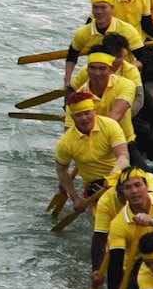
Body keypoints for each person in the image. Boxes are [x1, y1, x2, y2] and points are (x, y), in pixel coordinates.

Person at [53, 90, 129, 220]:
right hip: (95, 185)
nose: (84, 118)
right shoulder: (66, 142)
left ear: (94, 111)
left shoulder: (110, 125)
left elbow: (124, 157)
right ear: (71, 117)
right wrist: (75, 198)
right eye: (78, 115)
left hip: (119, 174)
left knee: (149, 178)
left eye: (87, 113)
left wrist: (112, 177)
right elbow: (61, 171)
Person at [65, 0, 143, 85]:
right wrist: (67, 80)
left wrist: (127, 70)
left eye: (103, 7)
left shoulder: (127, 30)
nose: (99, 12)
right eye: (95, 7)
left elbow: (143, 58)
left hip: (125, 79)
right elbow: (72, 56)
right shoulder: (82, 32)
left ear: (112, 8)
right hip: (96, 77)